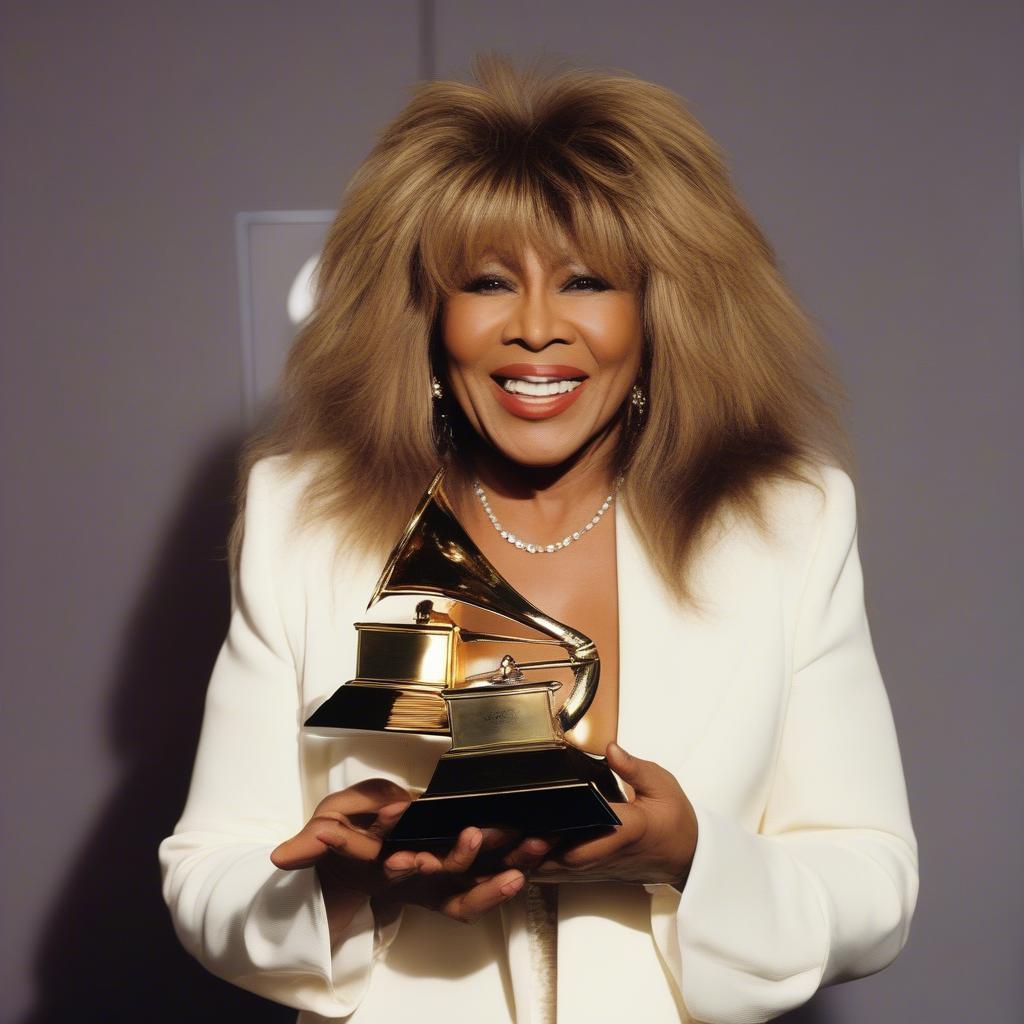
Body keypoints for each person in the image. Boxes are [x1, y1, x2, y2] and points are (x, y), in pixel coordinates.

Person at [159, 58, 918, 1023]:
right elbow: (206, 879)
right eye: (485, 282)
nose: (535, 329)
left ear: (657, 314)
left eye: (586, 282)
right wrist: (353, 886)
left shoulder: (787, 524)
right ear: (431, 321)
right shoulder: (301, 520)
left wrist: (691, 855)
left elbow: (875, 884)